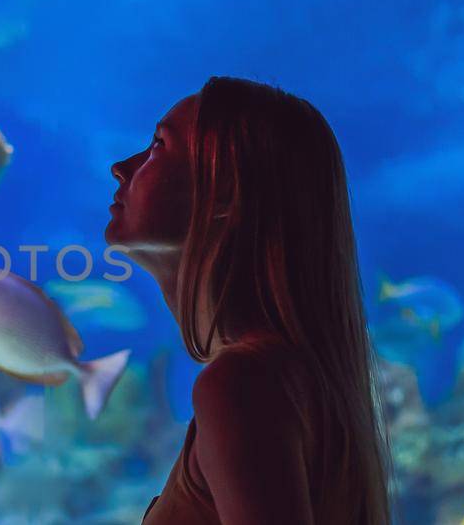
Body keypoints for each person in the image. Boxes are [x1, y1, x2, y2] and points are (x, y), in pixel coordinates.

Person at [111, 77, 391, 524]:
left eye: (158, 145)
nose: (122, 167)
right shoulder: (296, 377)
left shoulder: (240, 384)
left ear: (226, 190)